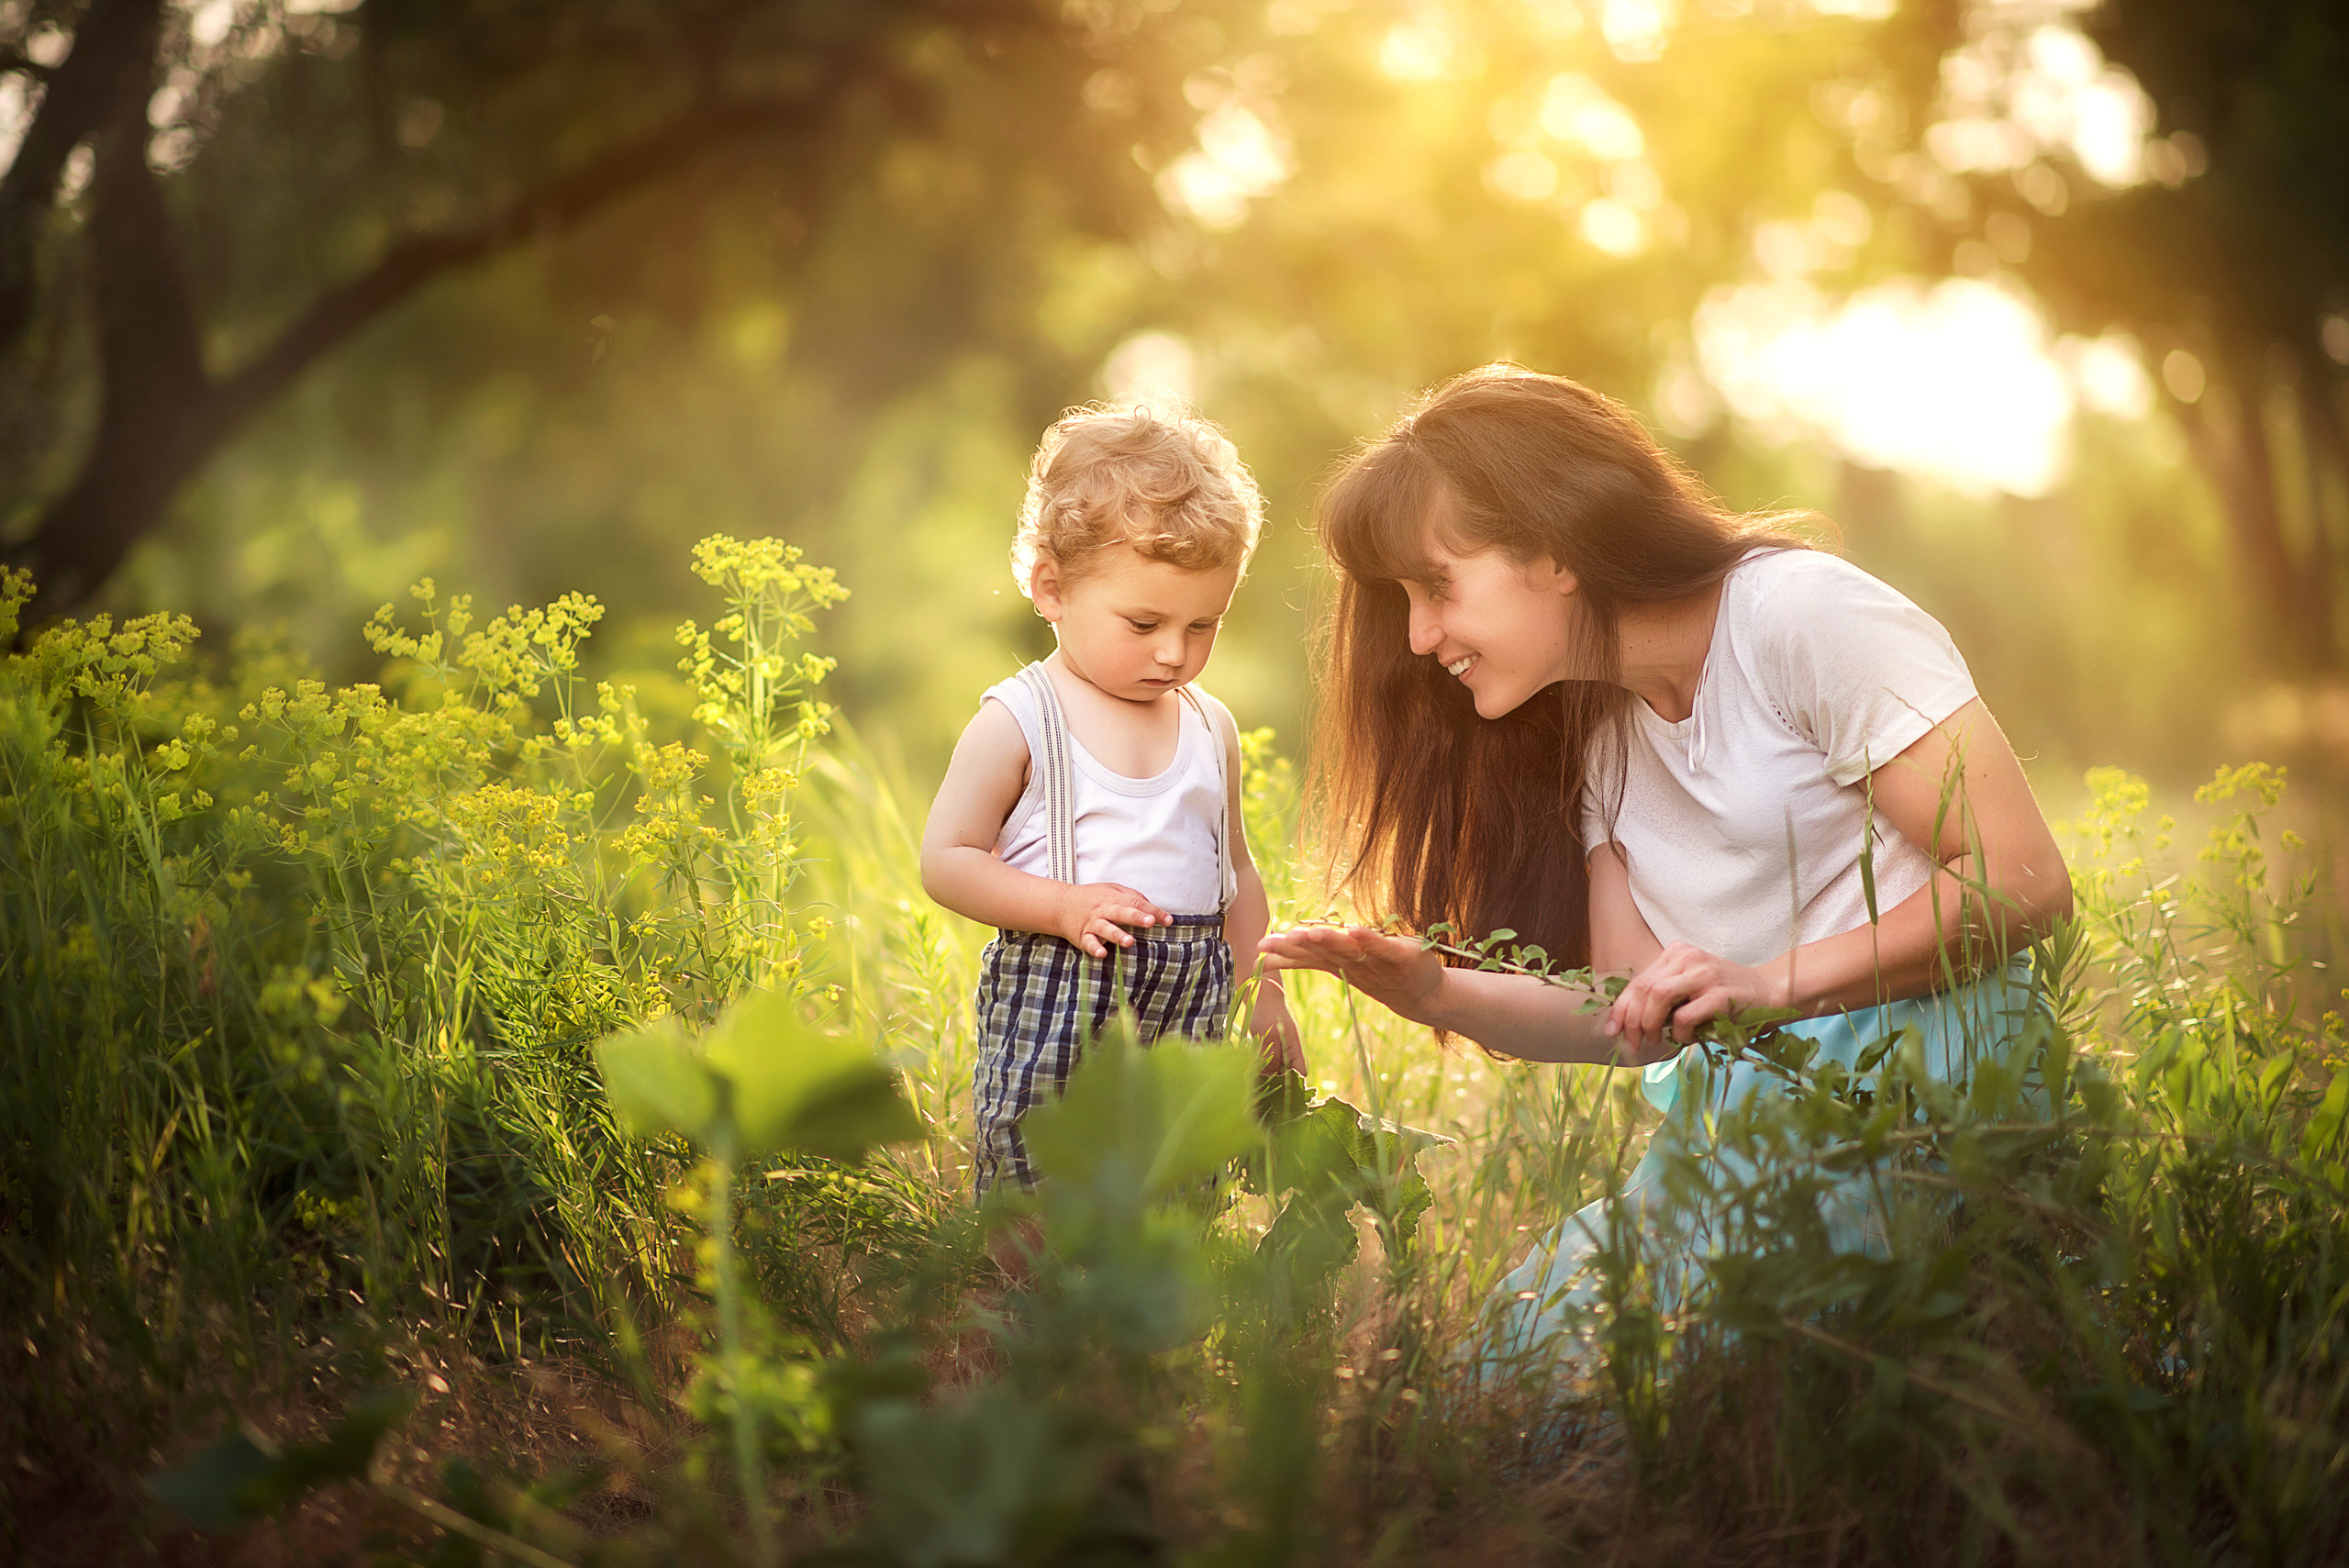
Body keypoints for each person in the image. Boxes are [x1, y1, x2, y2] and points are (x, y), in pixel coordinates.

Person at [1256, 365, 2073, 1371]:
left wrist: (1765, 985)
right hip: (1748, 1133)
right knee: (1504, 1369)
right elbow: (1631, 1016)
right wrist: (1436, 992)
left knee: (1683, 1369)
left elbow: (2021, 878)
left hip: (1921, 1092)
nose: (1419, 636)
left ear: (1553, 551)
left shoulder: (1800, 617)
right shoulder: (1604, 732)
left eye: (1436, 587)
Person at [922, 402, 1306, 1198]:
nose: (1174, 652)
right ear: (1052, 589)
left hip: (1190, 1006)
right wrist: (1062, 906)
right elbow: (947, 860)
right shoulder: (1021, 720)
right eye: (1144, 622)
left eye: (1203, 625)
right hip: (1065, 997)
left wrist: (1264, 995)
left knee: (1176, 1192)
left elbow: (1236, 873)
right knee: (1040, 1198)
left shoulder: (1211, 727)